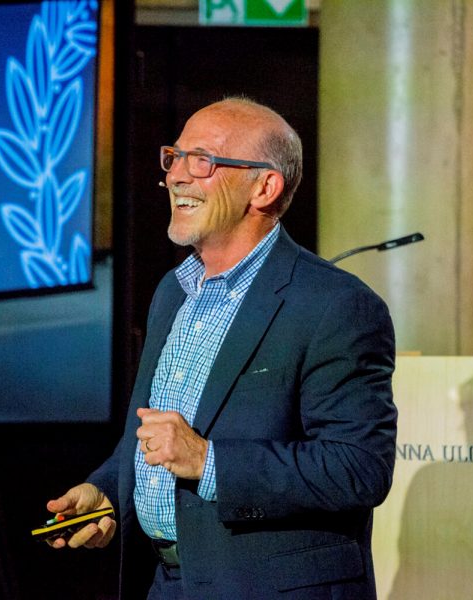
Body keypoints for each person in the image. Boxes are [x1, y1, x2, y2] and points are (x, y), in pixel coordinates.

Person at [45, 97, 397, 599]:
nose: (176, 178)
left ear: (265, 186)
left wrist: (210, 463)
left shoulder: (335, 306)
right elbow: (153, 436)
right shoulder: (174, 290)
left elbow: (358, 469)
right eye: (174, 158)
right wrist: (107, 492)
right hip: (165, 583)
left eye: (202, 161)